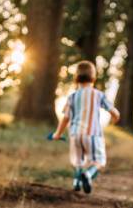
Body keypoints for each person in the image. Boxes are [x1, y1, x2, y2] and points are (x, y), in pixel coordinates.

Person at [51, 61, 120, 193]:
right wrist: (115, 118)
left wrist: (57, 134)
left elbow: (65, 118)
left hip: (75, 134)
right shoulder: (98, 94)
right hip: (92, 134)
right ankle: (87, 175)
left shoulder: (72, 97)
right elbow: (115, 112)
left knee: (77, 161)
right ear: (94, 77)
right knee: (98, 160)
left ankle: (76, 182)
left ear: (76, 78)